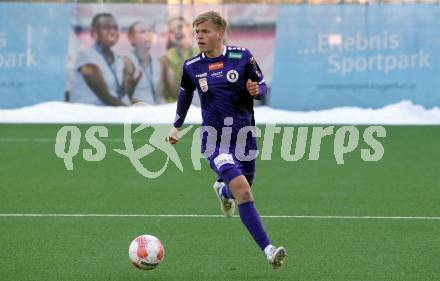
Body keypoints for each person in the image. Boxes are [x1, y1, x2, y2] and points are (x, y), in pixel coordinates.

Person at [167, 11, 287, 268]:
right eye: (197, 32)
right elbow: (185, 95)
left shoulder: (242, 57)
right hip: (214, 140)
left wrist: (257, 90)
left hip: (245, 137)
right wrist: (176, 126)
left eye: (205, 31)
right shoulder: (191, 67)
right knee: (243, 190)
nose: (199, 36)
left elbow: (263, 86)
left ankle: (222, 191)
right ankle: (268, 249)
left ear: (219, 33)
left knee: (242, 187)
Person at [70, 13, 140, 106]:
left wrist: (131, 86)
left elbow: (120, 93)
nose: (113, 32)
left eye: (115, 28)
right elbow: (105, 96)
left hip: (110, 112)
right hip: (89, 115)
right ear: (94, 33)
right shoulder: (86, 57)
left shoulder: (118, 58)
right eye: (107, 28)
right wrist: (129, 111)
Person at [160, 17, 199, 102]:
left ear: (189, 29)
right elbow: (174, 94)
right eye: (172, 31)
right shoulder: (166, 58)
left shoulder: (202, 51)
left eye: (180, 27)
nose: (176, 31)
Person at [126, 21, 163, 105]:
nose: (148, 34)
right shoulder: (127, 61)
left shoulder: (158, 62)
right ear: (131, 38)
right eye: (142, 32)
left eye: (150, 31)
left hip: (156, 112)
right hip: (137, 112)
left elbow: (159, 95)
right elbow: (124, 96)